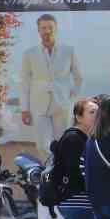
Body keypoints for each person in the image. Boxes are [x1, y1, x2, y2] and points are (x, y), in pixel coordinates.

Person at [20, 13, 83, 152]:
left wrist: (71, 98)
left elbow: (79, 78)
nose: (47, 31)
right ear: (39, 30)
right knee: (43, 145)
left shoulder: (68, 51)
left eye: (50, 27)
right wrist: (24, 109)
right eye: (43, 28)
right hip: (39, 105)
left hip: (62, 105)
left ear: (56, 28)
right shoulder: (29, 54)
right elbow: (24, 82)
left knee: (64, 143)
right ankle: (50, 172)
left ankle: (63, 172)